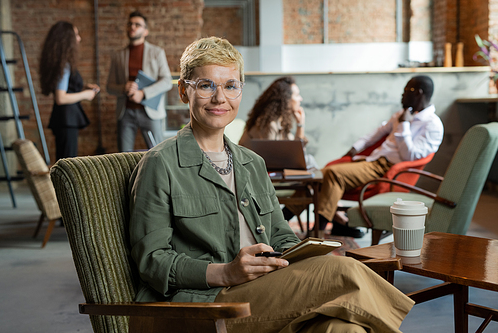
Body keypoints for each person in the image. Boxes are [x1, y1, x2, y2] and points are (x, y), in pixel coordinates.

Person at [128, 36, 414, 333]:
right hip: (208, 304)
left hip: (266, 290)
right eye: (205, 85)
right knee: (344, 272)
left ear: (240, 90)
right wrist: (226, 272)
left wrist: (299, 257)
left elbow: (280, 236)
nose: (219, 98)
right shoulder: (160, 164)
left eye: (230, 85)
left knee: (343, 329)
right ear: (183, 92)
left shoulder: (252, 163)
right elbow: (153, 262)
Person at [285, 75, 444, 238]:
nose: (402, 95)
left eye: (406, 90)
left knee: (334, 175)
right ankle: (285, 221)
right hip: (373, 162)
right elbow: (377, 133)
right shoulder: (400, 114)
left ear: (418, 93)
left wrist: (404, 125)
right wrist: (355, 148)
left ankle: (316, 232)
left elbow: (410, 156)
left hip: (389, 169)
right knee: (320, 175)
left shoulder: (432, 125)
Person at [107, 10, 172, 152]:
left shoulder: (157, 52)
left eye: (137, 24)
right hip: (125, 112)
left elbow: (167, 81)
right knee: (123, 156)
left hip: (150, 112)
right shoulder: (118, 56)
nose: (133, 27)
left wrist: (143, 93)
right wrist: (123, 87)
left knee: (158, 154)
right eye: (130, 24)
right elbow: (109, 87)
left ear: (145, 31)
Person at [39, 21, 100, 161]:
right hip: (67, 119)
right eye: (76, 35)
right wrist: (86, 95)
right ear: (67, 39)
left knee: (65, 162)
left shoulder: (59, 62)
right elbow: (60, 98)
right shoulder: (64, 64)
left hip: (64, 119)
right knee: (68, 164)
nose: (79, 38)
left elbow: (64, 89)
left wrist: (82, 87)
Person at [238, 76, 317, 169]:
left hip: (270, 168)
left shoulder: (281, 122)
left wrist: (300, 125)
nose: (300, 99)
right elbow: (271, 161)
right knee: (310, 161)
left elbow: (296, 154)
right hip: (250, 169)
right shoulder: (269, 124)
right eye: (297, 95)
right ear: (286, 99)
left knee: (309, 161)